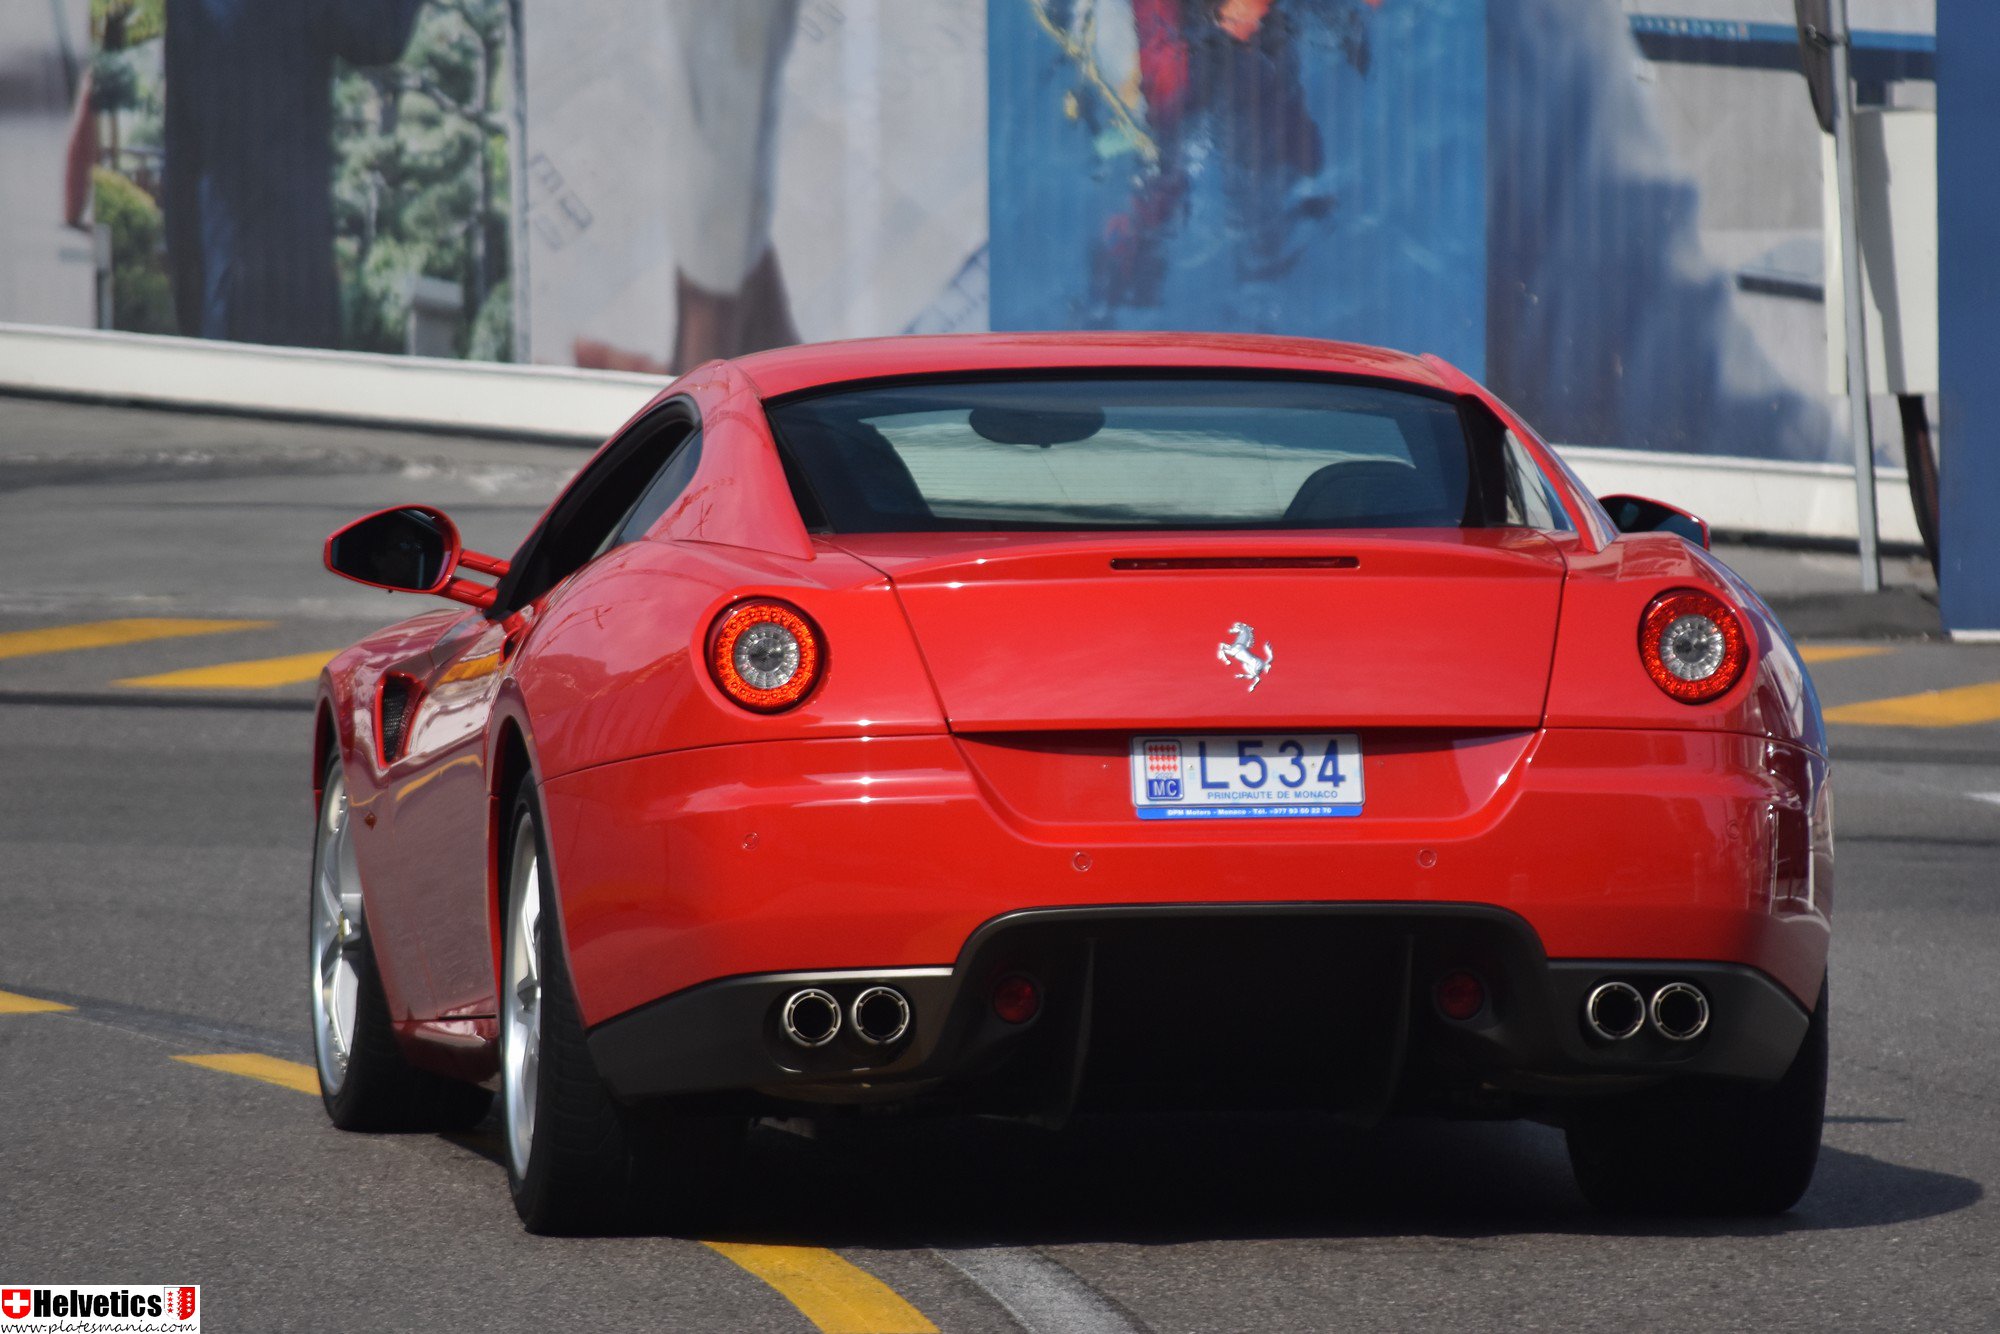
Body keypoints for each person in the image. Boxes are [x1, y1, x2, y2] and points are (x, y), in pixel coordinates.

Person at [163, 0, 424, 347]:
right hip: (296, 278)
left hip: (222, 282)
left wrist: (192, 302)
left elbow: (180, 158)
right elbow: (380, 35)